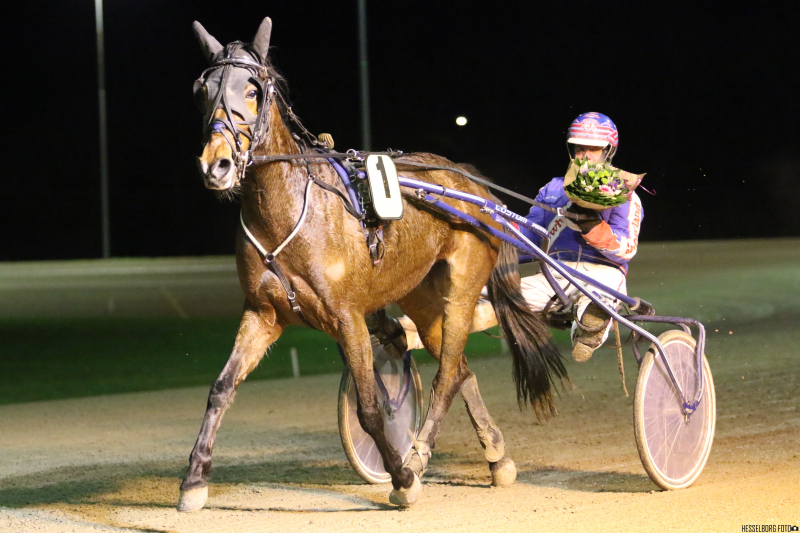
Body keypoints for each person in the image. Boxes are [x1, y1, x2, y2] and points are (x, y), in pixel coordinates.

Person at [370, 112, 643, 363]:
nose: (585, 155)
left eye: (593, 149)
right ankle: (405, 333)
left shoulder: (625, 195)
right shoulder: (553, 189)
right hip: (554, 274)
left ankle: (590, 326)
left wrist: (593, 228)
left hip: (604, 276)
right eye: (579, 148)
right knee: (491, 297)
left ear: (608, 150)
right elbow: (527, 239)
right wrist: (494, 221)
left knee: (595, 305)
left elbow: (627, 249)